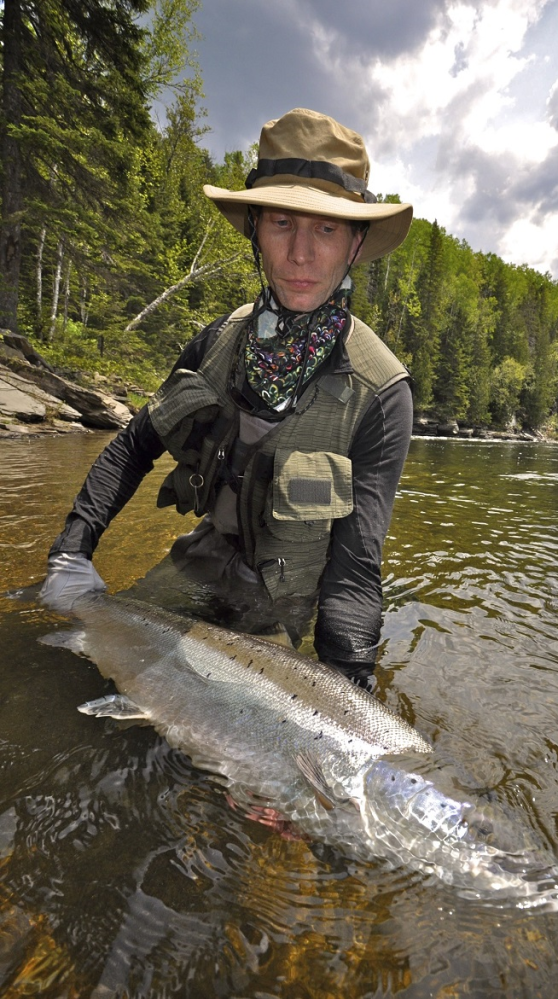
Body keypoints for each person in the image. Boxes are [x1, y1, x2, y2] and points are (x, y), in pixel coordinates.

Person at [41, 108, 414, 690]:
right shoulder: (215, 343)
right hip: (200, 562)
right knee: (73, 673)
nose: (300, 254)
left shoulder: (382, 395)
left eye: (326, 229)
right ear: (255, 232)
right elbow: (130, 450)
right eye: (283, 223)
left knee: (216, 769)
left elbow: (354, 570)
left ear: (355, 244)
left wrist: (350, 691)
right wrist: (72, 551)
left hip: (280, 603)